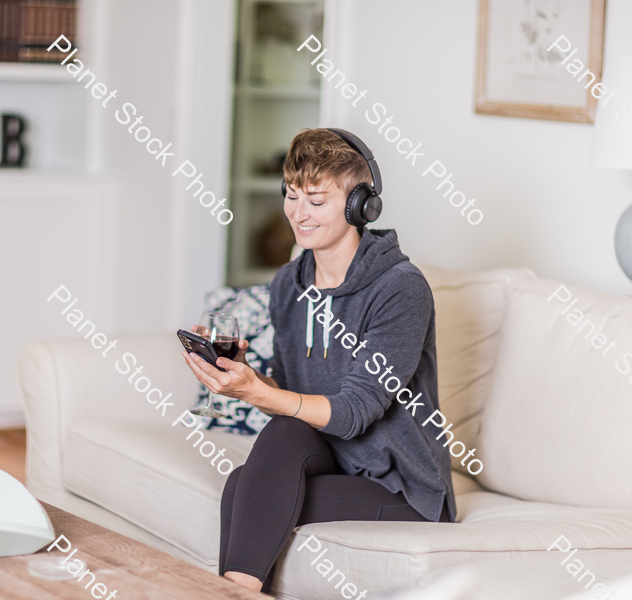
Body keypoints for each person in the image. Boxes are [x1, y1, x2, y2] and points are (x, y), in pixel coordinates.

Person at [181, 128, 455, 593]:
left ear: (360, 207)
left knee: (243, 492)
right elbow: (294, 404)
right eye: (291, 195)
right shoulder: (290, 283)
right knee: (277, 442)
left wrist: (259, 391)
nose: (298, 213)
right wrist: (248, 380)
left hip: (403, 488)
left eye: (316, 200)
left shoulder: (400, 289)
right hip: (332, 460)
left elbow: (351, 414)